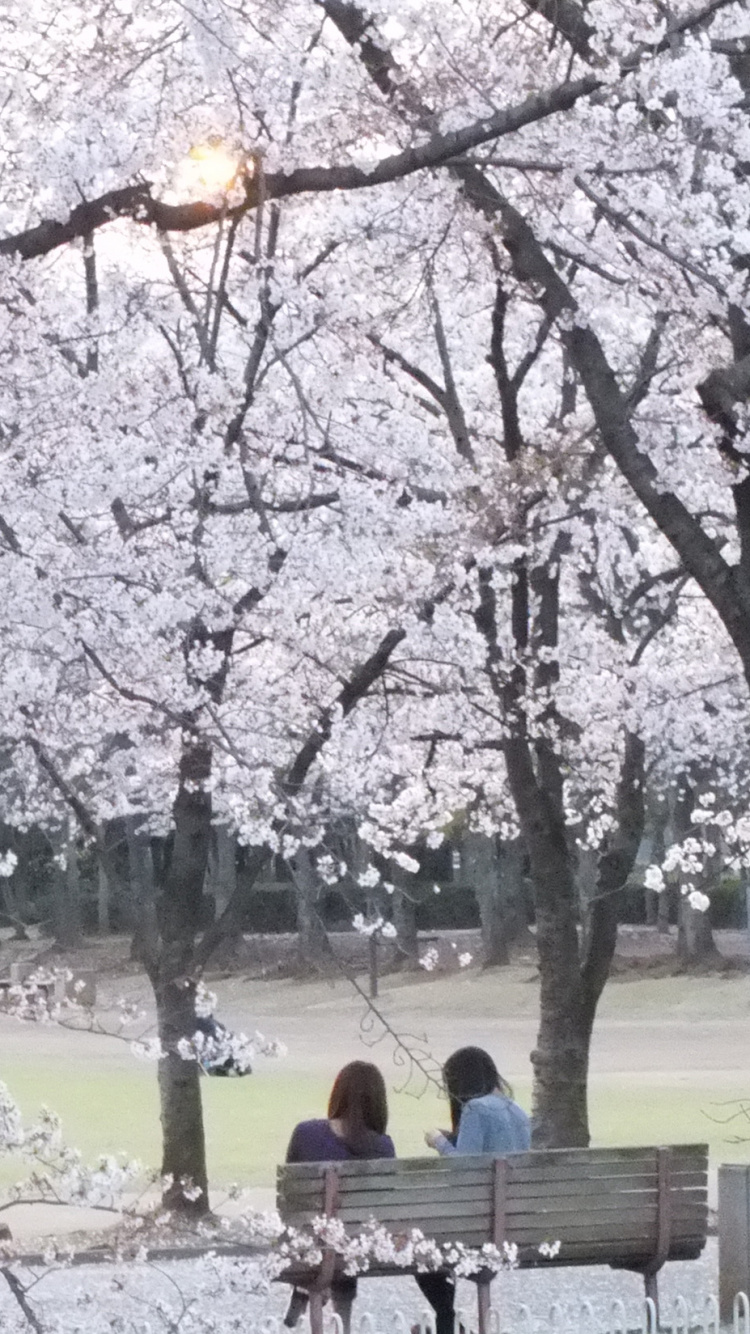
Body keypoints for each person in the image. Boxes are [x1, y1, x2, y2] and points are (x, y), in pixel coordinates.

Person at [417, 1047, 531, 1334]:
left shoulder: (475, 1109)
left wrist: (438, 1142)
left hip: (479, 1230)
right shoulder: (517, 1112)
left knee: (420, 1247)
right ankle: (450, 1323)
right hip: (512, 1228)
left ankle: (447, 1319)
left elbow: (463, 1167)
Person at [283, 1061, 395, 1332]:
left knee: (323, 1233)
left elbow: (289, 1197)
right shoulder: (382, 1145)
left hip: (309, 1241)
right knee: (350, 1233)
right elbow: (384, 1206)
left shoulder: (305, 1133)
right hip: (360, 1245)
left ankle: (303, 1294)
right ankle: (343, 1321)